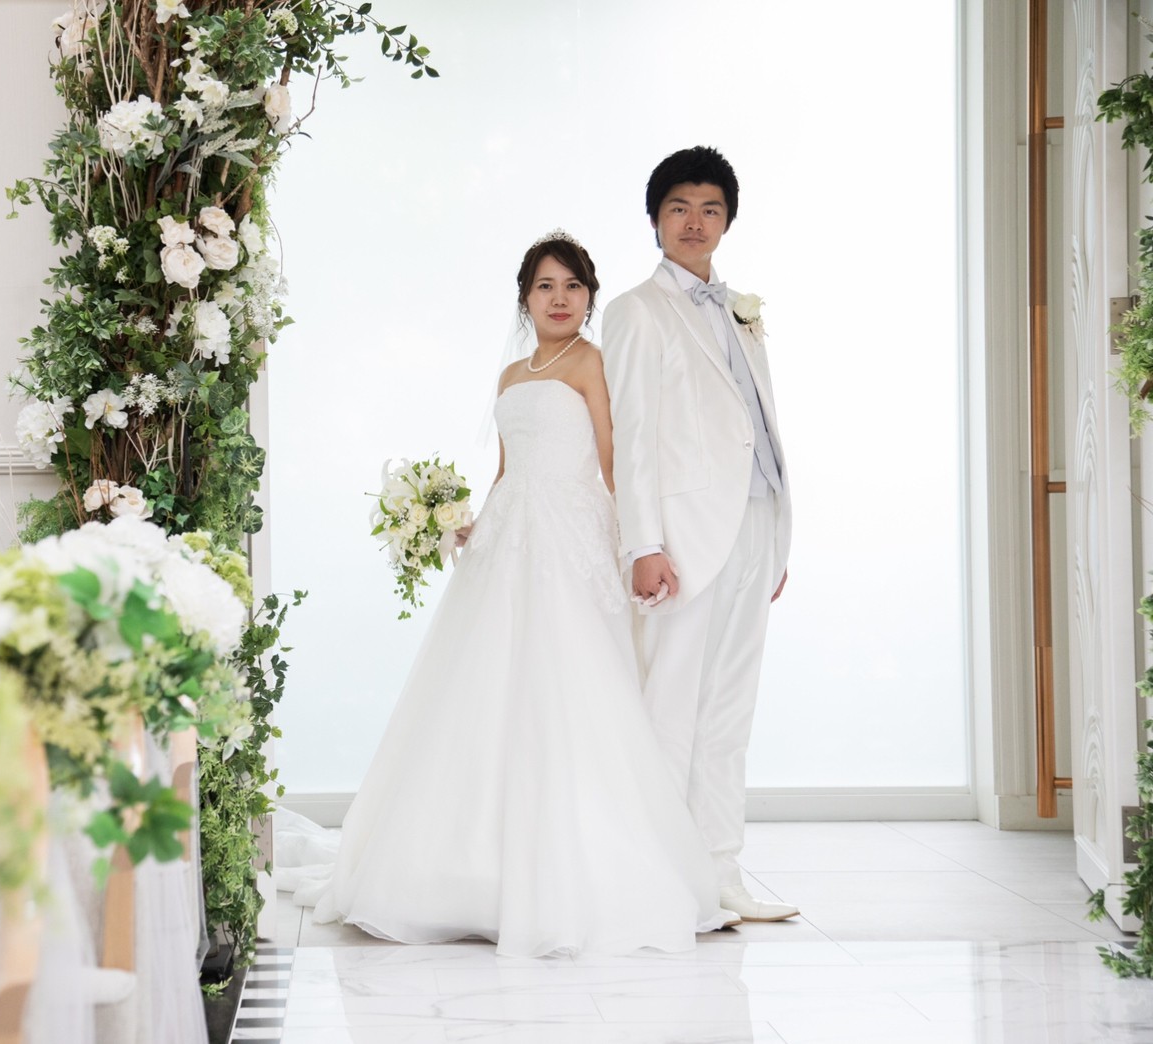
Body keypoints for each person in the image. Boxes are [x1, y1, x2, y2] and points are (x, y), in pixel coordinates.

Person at [292, 232, 735, 956]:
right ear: (525, 299)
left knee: (571, 683)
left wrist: (643, 546)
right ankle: (469, 865)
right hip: (508, 539)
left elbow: (616, 462)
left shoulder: (593, 362)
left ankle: (579, 866)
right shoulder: (510, 374)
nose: (560, 298)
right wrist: (468, 524)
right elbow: (506, 470)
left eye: (573, 286)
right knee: (486, 684)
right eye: (545, 286)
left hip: (571, 539)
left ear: (589, 297)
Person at [601, 145, 798, 922]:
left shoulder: (741, 312)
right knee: (671, 710)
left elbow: (757, 426)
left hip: (755, 525)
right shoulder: (635, 311)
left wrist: (776, 537)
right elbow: (633, 436)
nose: (695, 222)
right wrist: (642, 543)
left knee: (728, 713)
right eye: (679, 207)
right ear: (655, 219)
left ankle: (721, 872)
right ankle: (658, 879)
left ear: (727, 221)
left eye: (710, 209)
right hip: (682, 540)